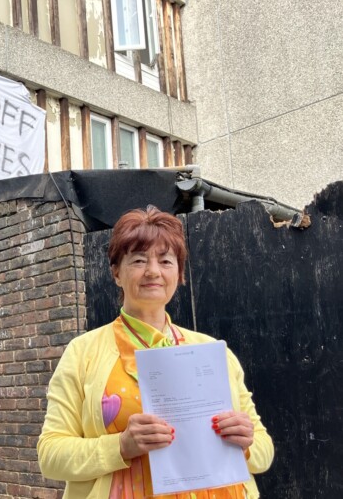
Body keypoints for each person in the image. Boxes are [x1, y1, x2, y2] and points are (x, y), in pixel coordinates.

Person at [37, 206, 273, 499]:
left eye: (165, 261)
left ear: (179, 273)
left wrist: (247, 443)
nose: (153, 271)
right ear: (116, 273)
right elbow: (50, 455)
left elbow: (263, 451)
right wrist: (120, 445)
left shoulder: (214, 353)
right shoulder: (83, 352)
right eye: (138, 260)